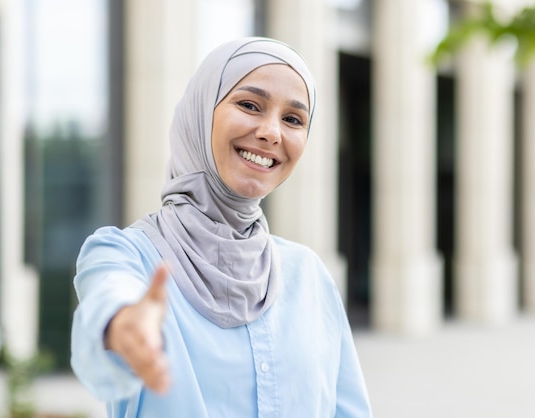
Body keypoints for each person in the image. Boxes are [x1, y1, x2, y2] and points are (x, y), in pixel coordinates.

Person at [70, 37, 372, 417]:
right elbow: (107, 302)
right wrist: (123, 324)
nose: (272, 132)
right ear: (201, 112)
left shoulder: (309, 275)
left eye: (293, 119)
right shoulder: (125, 255)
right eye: (249, 105)